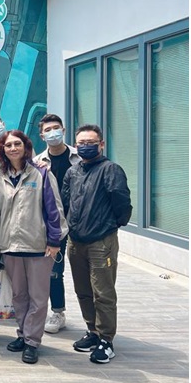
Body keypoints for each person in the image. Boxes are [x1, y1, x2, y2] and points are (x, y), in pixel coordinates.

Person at [61, 124, 132, 364]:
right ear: (76, 145)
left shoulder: (110, 170)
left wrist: (112, 225)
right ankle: (92, 331)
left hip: (101, 241)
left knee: (103, 292)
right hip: (76, 241)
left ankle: (106, 340)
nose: (86, 146)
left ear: (101, 144)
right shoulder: (73, 172)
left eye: (91, 142)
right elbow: (65, 202)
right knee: (83, 290)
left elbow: (122, 202)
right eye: (81, 143)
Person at [0, 130, 68, 364]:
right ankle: (23, 334)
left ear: (25, 147)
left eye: (17, 144)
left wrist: (55, 241)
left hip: (38, 246)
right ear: (3, 149)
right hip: (10, 246)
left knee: (38, 297)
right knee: (19, 296)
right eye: (8, 145)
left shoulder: (42, 173)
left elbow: (54, 209)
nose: (13, 148)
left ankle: (33, 342)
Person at [32, 114, 82, 334]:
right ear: (42, 135)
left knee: (84, 271)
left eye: (56, 128)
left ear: (64, 130)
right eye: (47, 130)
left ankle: (93, 318)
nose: (53, 132)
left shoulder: (79, 157)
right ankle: (58, 312)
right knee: (54, 270)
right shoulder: (38, 163)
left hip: (80, 222)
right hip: (54, 224)